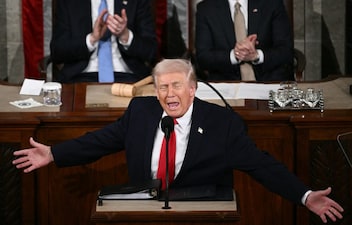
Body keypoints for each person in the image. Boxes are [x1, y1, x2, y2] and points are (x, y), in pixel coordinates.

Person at [13, 59, 343, 223]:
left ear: (192, 89)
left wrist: (305, 195)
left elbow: (262, 165)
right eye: (162, 87)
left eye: (176, 86)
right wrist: (55, 153)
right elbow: (100, 141)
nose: (170, 95)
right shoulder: (140, 112)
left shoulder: (222, 124)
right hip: (144, 217)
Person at [50, 0, 158, 83]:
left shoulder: (137, 2)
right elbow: (57, 51)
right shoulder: (69, 2)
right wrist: (91, 39)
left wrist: (125, 36)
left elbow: (151, 51)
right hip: (80, 77)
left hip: (129, 78)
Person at [195, 0, 294, 81]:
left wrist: (257, 55)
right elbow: (203, 58)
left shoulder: (272, 4)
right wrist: (235, 55)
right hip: (227, 84)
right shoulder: (206, 9)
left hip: (270, 81)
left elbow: (286, 51)